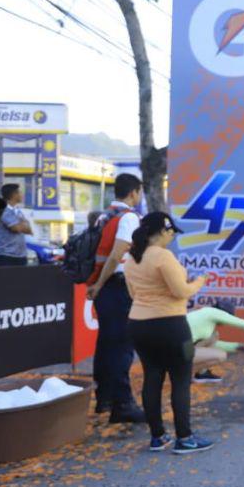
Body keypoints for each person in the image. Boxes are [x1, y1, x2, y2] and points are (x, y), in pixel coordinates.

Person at [124, 212, 213, 454]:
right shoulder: (163, 256)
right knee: (181, 380)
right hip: (171, 325)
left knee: (152, 378)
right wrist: (200, 281)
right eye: (172, 233)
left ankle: (157, 437)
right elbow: (180, 291)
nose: (172, 238)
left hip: (139, 325)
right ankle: (184, 437)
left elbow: (133, 294)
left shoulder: (132, 258)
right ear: (163, 231)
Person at [86, 173, 146, 423]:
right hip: (116, 286)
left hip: (105, 286)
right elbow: (116, 254)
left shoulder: (103, 215)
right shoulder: (129, 217)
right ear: (133, 192)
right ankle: (123, 404)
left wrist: (97, 284)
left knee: (106, 343)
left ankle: (105, 398)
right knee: (122, 345)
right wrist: (99, 284)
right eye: (140, 192)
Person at [186, 299, 244, 383]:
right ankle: (181, 373)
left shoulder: (204, 315)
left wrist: (236, 347)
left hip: (177, 348)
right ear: (224, 313)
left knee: (213, 336)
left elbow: (209, 345)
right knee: (221, 356)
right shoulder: (213, 312)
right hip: (178, 351)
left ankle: (202, 373)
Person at [0, 184, 32, 266]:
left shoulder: (18, 211)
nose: (22, 195)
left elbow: (29, 230)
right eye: (20, 193)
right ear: (14, 195)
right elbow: (16, 228)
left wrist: (22, 225)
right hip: (4, 256)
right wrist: (22, 224)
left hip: (20, 256)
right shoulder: (3, 210)